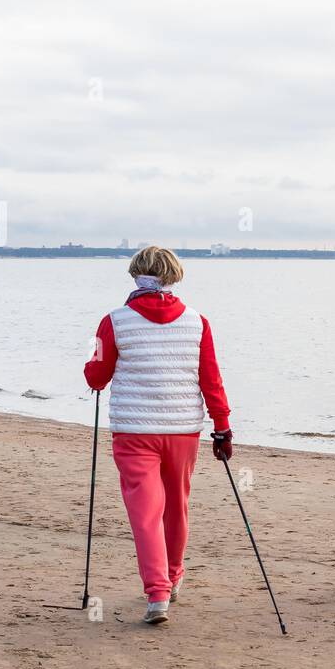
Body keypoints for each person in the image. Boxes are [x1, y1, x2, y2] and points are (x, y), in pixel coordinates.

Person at [84, 246, 233, 624]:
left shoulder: (114, 321)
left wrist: (92, 367)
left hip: (134, 430)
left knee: (146, 513)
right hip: (182, 430)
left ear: (136, 275)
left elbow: (97, 376)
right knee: (176, 506)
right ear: (172, 276)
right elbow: (211, 379)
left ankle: (157, 593)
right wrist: (222, 427)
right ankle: (174, 575)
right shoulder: (198, 322)